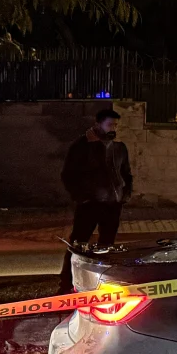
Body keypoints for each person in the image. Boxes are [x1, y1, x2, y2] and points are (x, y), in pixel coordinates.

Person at [57, 107, 133, 293]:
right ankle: (66, 283)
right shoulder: (82, 146)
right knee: (78, 244)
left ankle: (102, 282)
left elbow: (125, 172)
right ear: (98, 124)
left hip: (113, 204)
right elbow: (68, 174)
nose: (113, 128)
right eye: (110, 124)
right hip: (90, 204)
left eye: (115, 124)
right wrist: (82, 198)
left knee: (107, 245)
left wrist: (125, 193)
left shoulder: (119, 147)